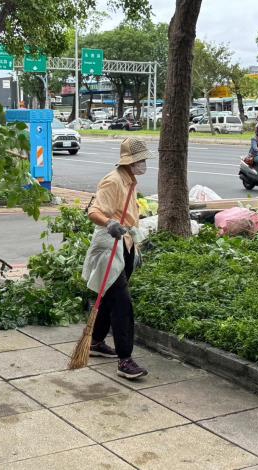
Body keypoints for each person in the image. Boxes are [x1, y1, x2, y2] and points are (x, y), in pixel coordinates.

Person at [82, 137, 152, 380]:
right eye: (141, 159)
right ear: (130, 161)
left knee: (110, 298)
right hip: (108, 245)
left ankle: (96, 341)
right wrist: (110, 223)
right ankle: (125, 359)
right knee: (122, 303)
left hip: (126, 242)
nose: (144, 163)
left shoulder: (130, 180)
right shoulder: (113, 181)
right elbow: (94, 211)